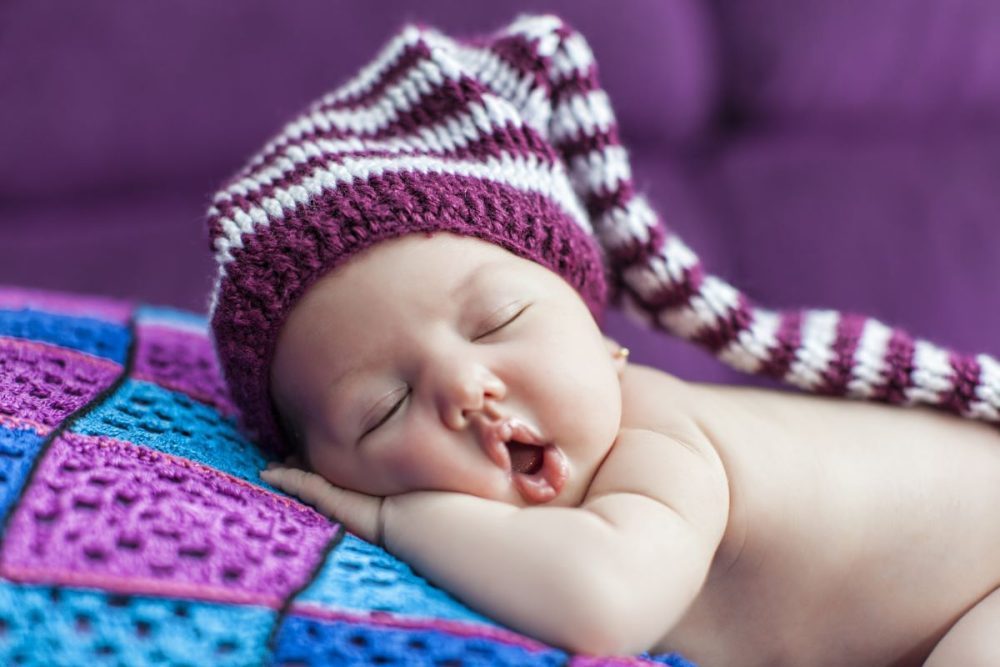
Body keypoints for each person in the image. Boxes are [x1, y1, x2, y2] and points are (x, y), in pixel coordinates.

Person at [206, 15, 1000, 665]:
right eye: (384, 407)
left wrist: (393, 521)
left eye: (498, 323)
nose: (463, 386)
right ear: (320, 466)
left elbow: (604, 606)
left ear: (599, 337)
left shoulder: (658, 439)